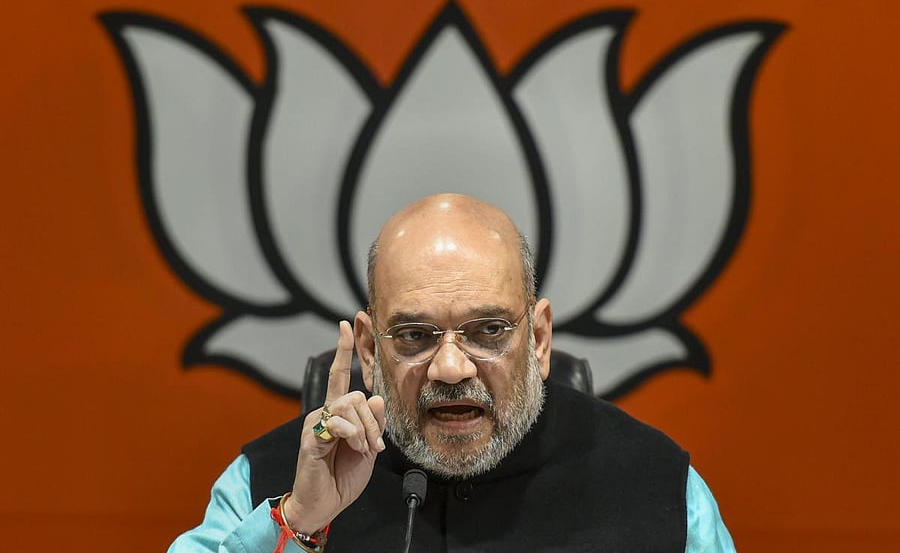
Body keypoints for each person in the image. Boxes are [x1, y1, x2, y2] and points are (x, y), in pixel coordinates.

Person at [170, 194, 736, 552]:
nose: (449, 365)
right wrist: (301, 523)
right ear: (369, 349)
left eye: (488, 331)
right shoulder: (261, 484)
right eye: (415, 335)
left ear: (538, 339)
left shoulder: (660, 490)